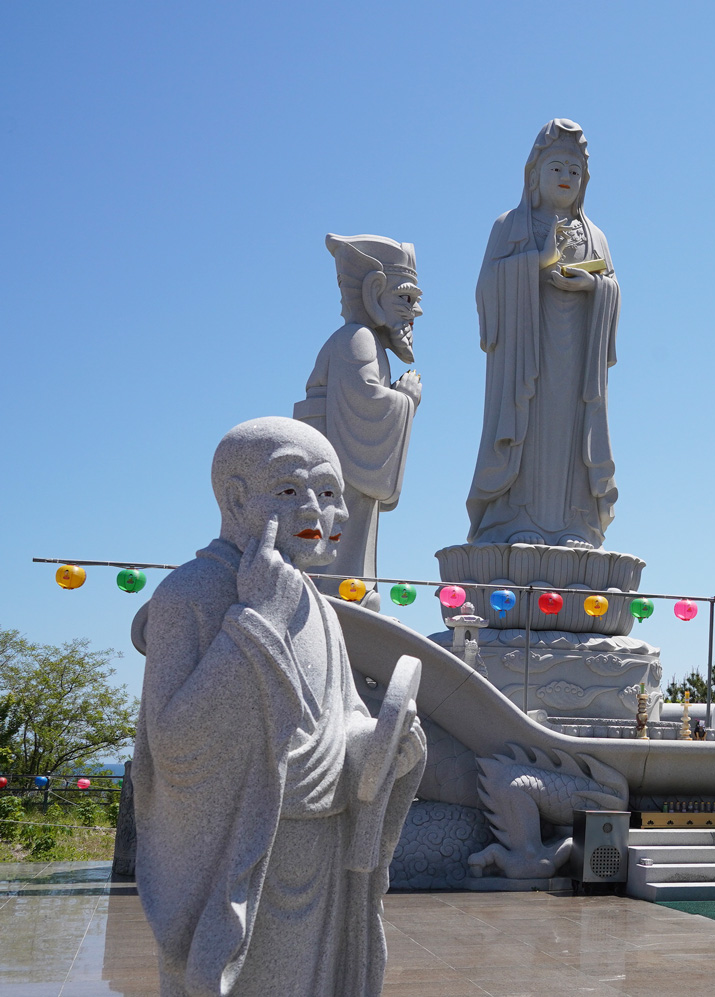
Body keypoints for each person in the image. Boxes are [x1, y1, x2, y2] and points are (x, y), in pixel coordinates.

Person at [133, 417, 425, 996]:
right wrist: (254, 624)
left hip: (323, 846)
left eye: (329, 493)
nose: (316, 512)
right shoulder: (191, 594)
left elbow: (342, 722)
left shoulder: (320, 609)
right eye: (291, 491)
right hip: (237, 856)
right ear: (238, 497)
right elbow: (172, 748)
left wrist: (384, 743)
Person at [467, 118, 621, 549]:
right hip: (523, 358)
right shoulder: (510, 225)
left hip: (578, 363)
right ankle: (515, 518)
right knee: (528, 424)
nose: (566, 177)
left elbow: (613, 287)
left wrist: (593, 286)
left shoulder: (596, 237)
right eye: (557, 167)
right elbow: (487, 289)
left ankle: (575, 522)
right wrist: (537, 259)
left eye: (575, 171)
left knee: (573, 427)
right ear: (534, 174)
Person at [294, 234, 423, 611]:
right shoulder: (358, 339)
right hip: (336, 465)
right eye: (406, 298)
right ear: (374, 291)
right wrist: (407, 401)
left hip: (341, 468)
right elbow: (364, 405)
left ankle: (345, 592)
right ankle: (340, 595)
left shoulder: (367, 343)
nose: (414, 311)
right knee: (337, 555)